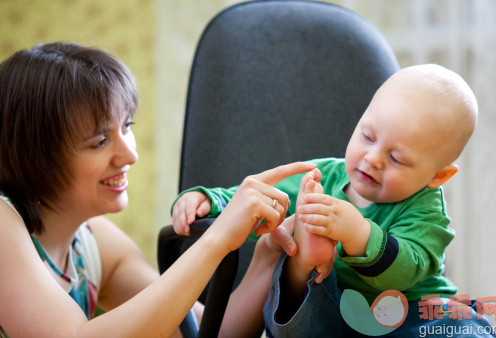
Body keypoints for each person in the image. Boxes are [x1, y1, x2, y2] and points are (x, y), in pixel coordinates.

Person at [0, 42, 324, 337]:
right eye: (99, 142)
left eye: (127, 126)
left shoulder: (92, 242)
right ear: (34, 156)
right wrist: (217, 238)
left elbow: (205, 331)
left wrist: (267, 257)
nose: (130, 155)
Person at [172, 64, 496, 336]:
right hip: (338, 313)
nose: (372, 159)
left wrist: (358, 234)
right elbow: (258, 194)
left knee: (460, 327)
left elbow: (405, 270)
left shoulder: (426, 210)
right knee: (295, 302)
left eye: (396, 158)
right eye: (367, 136)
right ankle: (307, 253)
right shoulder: (323, 176)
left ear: (437, 177)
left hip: (408, 316)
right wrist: (209, 198)